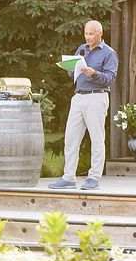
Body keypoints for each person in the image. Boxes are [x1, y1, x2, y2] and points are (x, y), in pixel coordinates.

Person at [49, 20, 118, 191]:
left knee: (96, 139)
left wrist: (94, 74)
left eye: (91, 34)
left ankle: (94, 177)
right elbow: (71, 71)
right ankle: (68, 177)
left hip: (97, 97)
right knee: (71, 138)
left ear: (100, 34)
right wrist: (70, 67)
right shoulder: (82, 48)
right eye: (86, 33)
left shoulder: (109, 53)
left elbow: (110, 78)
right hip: (78, 97)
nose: (87, 37)